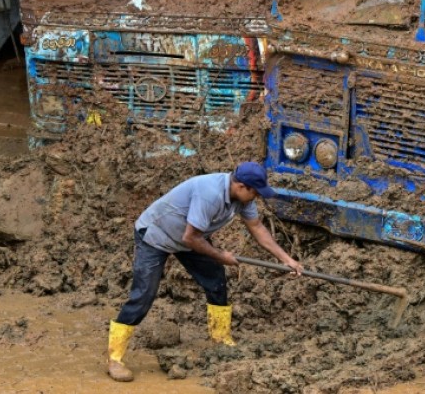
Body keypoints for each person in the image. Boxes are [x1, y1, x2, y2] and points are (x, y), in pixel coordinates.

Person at [107, 161, 303, 382]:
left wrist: (287, 260)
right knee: (144, 294)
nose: (257, 197)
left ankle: (221, 339)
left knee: (216, 281)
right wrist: (222, 257)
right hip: (156, 235)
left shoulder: (243, 198)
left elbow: (257, 227)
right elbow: (190, 237)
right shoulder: (210, 194)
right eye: (256, 192)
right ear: (241, 186)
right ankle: (115, 358)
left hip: (189, 239)